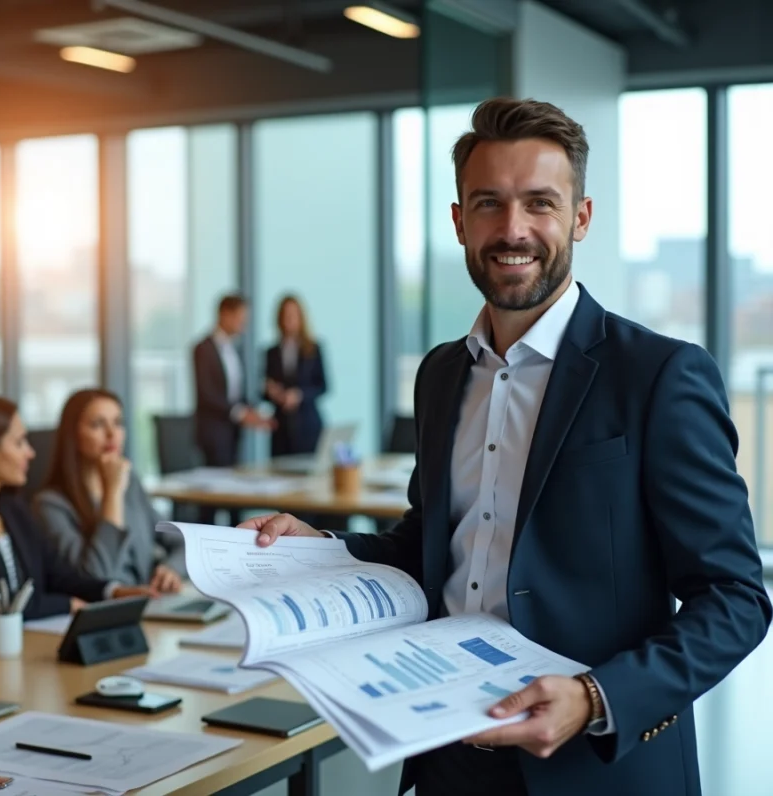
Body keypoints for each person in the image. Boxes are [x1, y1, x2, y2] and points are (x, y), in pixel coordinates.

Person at [239, 97, 771, 796]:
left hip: (595, 765)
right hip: (446, 749)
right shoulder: (439, 375)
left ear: (580, 217)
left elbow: (734, 598)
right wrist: (323, 550)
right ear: (459, 220)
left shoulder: (659, 377)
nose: (512, 229)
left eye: (539, 204)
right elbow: (430, 544)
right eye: (488, 204)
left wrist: (596, 697)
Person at [0, 396, 151, 640]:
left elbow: (58, 575)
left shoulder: (13, 511)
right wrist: (66, 605)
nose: (31, 452)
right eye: (19, 443)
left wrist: (113, 592)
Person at [33, 388, 185, 593]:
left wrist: (171, 568)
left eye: (118, 423)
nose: (112, 434)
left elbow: (182, 541)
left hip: (149, 602)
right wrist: (112, 492)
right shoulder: (51, 505)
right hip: (103, 614)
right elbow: (97, 577)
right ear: (74, 435)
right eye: (97, 425)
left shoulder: (129, 483)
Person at [192, 294, 273, 524]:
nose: (243, 325)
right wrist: (240, 413)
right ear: (224, 315)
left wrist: (253, 413)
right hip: (213, 433)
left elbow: (236, 392)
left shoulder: (235, 349)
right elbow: (207, 394)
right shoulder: (202, 349)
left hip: (233, 432)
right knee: (212, 499)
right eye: (240, 318)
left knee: (234, 495)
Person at [263, 295, 327, 457]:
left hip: (307, 426)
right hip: (281, 429)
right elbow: (264, 390)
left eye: (293, 315)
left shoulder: (313, 349)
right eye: (285, 315)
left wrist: (299, 395)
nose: (289, 320)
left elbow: (323, 386)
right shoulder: (271, 353)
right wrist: (272, 393)